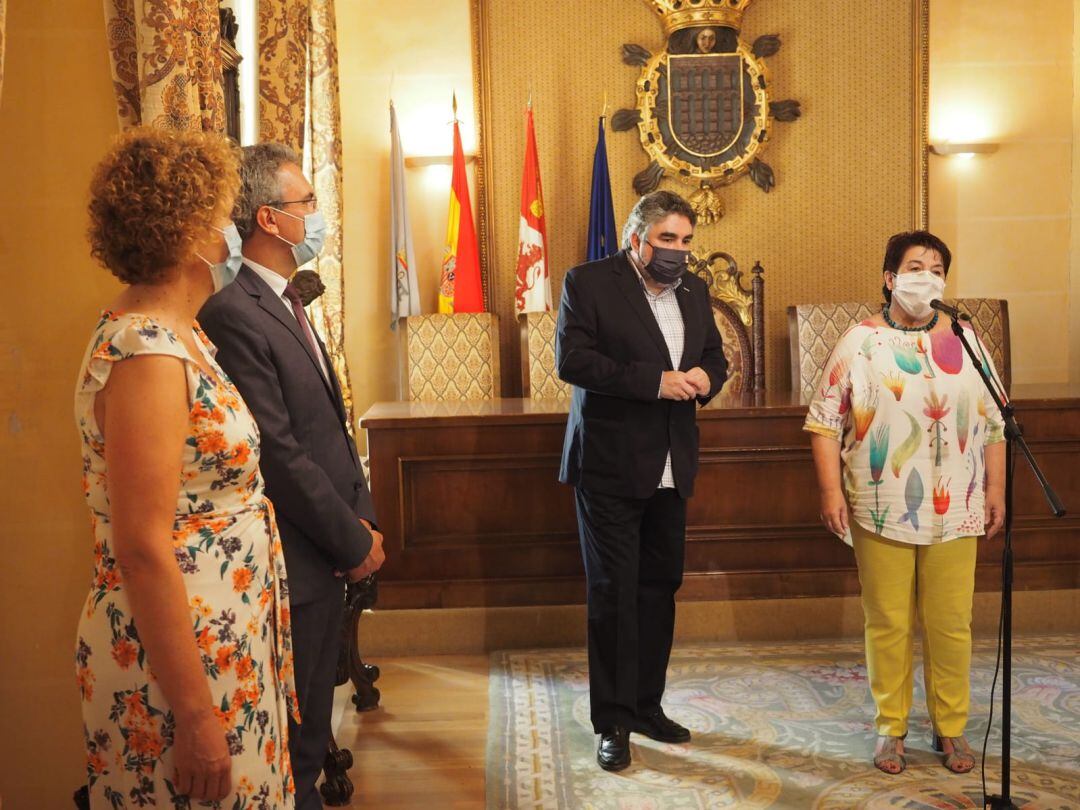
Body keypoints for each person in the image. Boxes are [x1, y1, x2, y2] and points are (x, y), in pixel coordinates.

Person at [75, 128, 298, 806]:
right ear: (190, 230)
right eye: (222, 215)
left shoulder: (184, 334)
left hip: (224, 640)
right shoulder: (144, 351)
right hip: (181, 666)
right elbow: (142, 546)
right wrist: (197, 715)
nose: (232, 232)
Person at [198, 142, 384, 810]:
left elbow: (326, 427)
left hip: (326, 548)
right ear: (270, 220)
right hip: (295, 556)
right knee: (297, 745)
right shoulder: (234, 312)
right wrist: (351, 541)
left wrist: (360, 518)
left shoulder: (285, 300)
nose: (317, 212)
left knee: (312, 729)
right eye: (307, 202)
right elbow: (279, 452)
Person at [804, 231, 1006, 775]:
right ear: (890, 278)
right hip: (880, 502)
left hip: (959, 504)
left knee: (950, 622)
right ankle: (890, 729)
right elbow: (823, 422)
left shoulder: (965, 338)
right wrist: (829, 492)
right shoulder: (860, 341)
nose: (927, 276)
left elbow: (995, 424)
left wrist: (995, 490)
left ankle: (951, 728)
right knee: (888, 621)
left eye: (937, 268)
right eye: (915, 266)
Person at [556, 190, 728, 771]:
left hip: (671, 466)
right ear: (637, 238)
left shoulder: (696, 292)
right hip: (608, 464)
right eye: (667, 240)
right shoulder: (589, 282)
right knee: (614, 594)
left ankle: (646, 706)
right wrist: (654, 382)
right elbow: (573, 362)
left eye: (685, 241)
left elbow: (715, 358)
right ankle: (613, 722)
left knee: (659, 588)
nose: (677, 252)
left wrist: (707, 375)